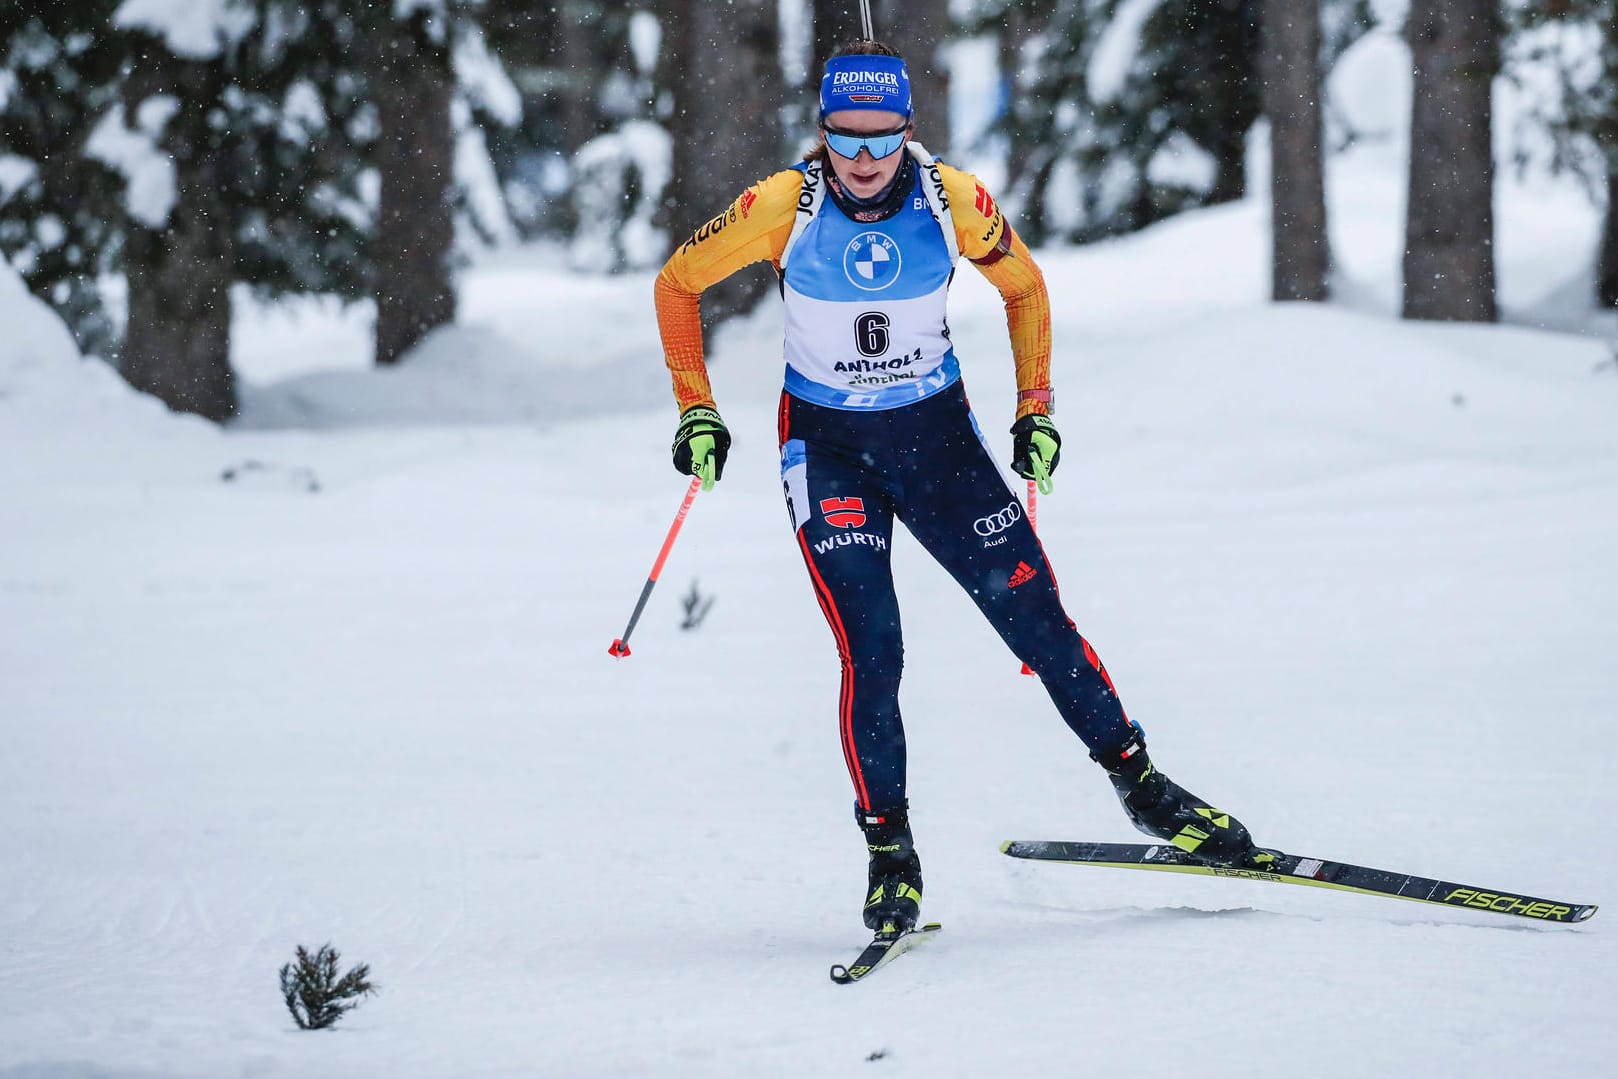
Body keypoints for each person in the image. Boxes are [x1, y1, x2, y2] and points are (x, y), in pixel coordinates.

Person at [653, 40, 1271, 936]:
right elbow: (677, 284)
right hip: (827, 450)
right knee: (875, 650)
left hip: (936, 441)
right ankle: (891, 858)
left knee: (1039, 622)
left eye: (882, 139)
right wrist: (696, 410)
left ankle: (1146, 789)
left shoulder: (956, 200)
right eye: (844, 140)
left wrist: (1036, 407)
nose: (863, 161)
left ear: (910, 130)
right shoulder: (783, 205)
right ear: (820, 133)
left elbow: (1024, 287)